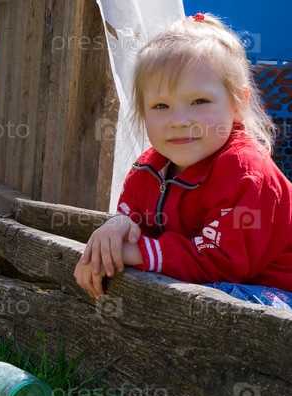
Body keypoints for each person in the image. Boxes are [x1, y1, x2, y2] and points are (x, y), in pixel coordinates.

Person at [74, 12, 292, 308]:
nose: (178, 120)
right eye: (161, 105)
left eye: (199, 101)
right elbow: (135, 225)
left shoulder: (244, 171)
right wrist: (116, 228)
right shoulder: (148, 169)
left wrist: (136, 252)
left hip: (274, 292)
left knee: (217, 298)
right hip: (217, 284)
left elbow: (222, 263)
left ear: (238, 104)